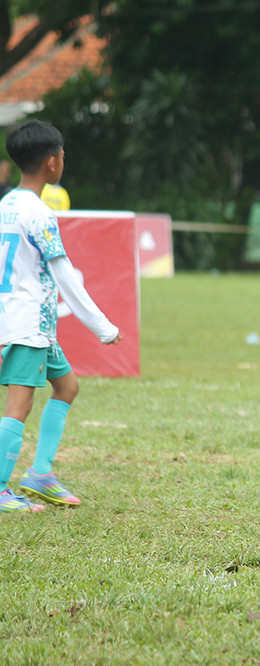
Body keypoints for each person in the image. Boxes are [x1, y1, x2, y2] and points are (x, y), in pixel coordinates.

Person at [0, 120, 121, 512]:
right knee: (19, 407)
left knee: (67, 387)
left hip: (30, 324)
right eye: (63, 155)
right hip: (28, 325)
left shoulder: (6, 205)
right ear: (52, 162)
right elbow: (63, 274)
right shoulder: (39, 213)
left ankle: (40, 474)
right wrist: (103, 327)